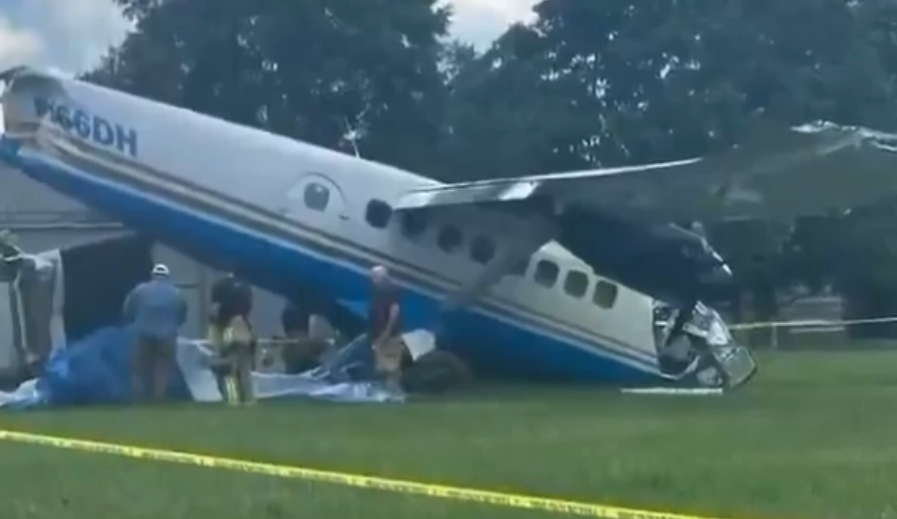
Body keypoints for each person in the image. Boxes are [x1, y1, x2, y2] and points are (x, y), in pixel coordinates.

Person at [122, 263, 187, 402]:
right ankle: (159, 399)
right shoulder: (176, 293)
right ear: (167, 276)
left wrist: (134, 321)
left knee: (138, 367)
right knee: (162, 368)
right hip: (167, 335)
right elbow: (182, 313)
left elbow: (127, 310)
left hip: (142, 333)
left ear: (152, 275)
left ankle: (138, 399)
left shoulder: (139, 290)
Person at [207, 272, 256, 405]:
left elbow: (214, 311)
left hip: (227, 327)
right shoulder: (246, 285)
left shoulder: (219, 285)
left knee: (228, 368)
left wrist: (213, 333)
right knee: (245, 368)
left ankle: (232, 400)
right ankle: (248, 399)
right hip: (243, 327)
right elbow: (249, 308)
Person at [368, 265, 405, 391]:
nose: (372, 279)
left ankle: (395, 394)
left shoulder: (387, 290)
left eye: (374, 276)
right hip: (386, 333)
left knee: (390, 367)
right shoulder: (385, 289)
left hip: (389, 333)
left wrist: (387, 331)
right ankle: (392, 392)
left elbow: (394, 311)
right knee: (386, 365)